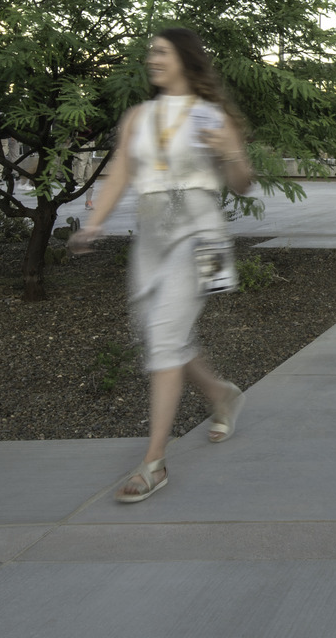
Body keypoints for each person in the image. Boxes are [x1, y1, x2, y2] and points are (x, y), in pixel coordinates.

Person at [70, 28, 256, 503]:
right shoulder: (138, 117)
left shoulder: (212, 116)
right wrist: (94, 225)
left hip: (200, 236)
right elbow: (120, 175)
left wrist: (228, 151)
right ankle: (220, 394)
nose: (150, 58)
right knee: (162, 338)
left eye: (160, 51)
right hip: (151, 238)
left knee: (166, 339)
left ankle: (154, 462)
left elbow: (242, 184)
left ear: (184, 60)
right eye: (149, 51)